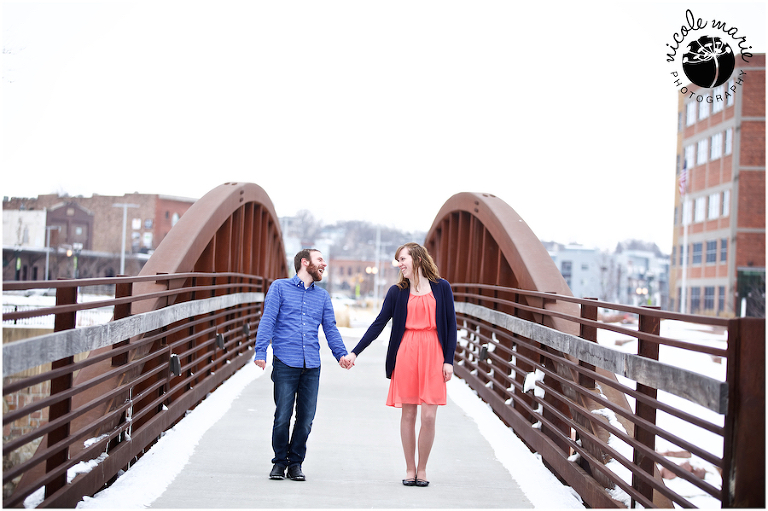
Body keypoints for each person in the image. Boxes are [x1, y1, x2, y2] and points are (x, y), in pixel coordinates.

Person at [341, 242, 457, 487]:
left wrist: (449, 360)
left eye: (402, 259)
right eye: (398, 260)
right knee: (409, 413)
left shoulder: (442, 287)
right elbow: (378, 323)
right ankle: (410, 468)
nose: (400, 264)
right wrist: (355, 352)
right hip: (406, 352)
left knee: (428, 416)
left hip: (433, 351)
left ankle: (423, 469)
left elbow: (451, 325)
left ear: (417, 258)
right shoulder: (397, 291)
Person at [254, 248, 349, 482]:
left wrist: (341, 354)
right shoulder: (279, 287)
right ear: (304, 262)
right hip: (286, 361)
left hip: (312, 365)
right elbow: (268, 320)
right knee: (283, 417)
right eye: (319, 260)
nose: (324, 264)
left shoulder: (323, 296)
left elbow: (330, 329)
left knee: (305, 419)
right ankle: (279, 463)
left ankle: (295, 463)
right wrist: (260, 351)